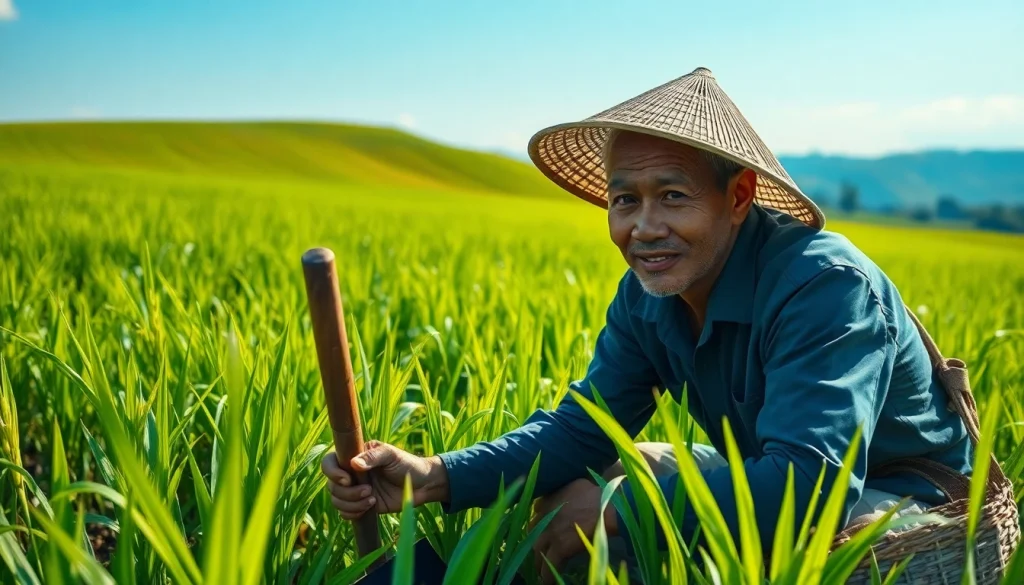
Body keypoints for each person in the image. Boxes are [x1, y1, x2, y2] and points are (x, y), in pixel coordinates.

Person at [320, 67, 973, 582]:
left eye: (673, 196)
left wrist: (620, 513)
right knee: (575, 493)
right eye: (625, 200)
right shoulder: (648, 295)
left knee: (672, 532)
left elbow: (810, 486)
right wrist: (434, 474)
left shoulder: (824, 287)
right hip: (767, 473)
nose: (644, 227)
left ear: (738, 196)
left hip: (903, 499)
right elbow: (580, 429)